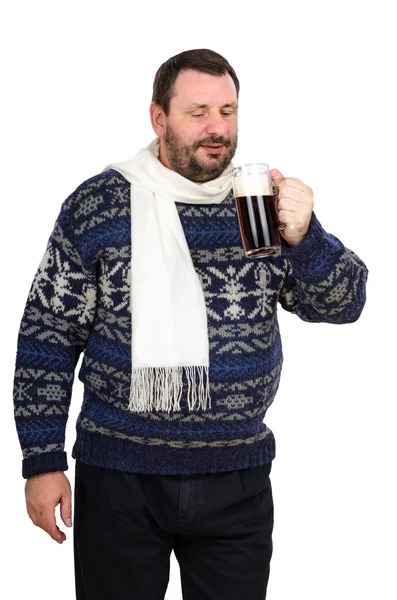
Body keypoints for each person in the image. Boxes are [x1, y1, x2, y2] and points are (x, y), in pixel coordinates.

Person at [13, 48, 368, 600]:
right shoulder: (99, 206)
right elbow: (48, 337)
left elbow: (345, 304)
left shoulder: (264, 205)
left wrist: (308, 238)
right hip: (120, 474)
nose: (217, 129)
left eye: (228, 112)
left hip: (237, 477)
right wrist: (41, 461)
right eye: (198, 112)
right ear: (158, 118)